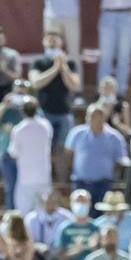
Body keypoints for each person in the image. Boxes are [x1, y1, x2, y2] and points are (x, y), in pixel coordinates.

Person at [28, 30, 80, 181]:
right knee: (42, 148)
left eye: (55, 39)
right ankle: (43, 179)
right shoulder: (38, 61)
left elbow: (74, 85)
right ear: (43, 41)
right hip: (44, 112)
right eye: (49, 39)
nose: (52, 42)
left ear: (61, 43)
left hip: (64, 113)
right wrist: (54, 68)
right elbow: (35, 83)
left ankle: (62, 181)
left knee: (63, 150)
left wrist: (63, 68)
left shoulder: (70, 63)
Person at [38, 0, 86, 92]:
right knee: (51, 53)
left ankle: (77, 90)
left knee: (73, 53)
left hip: (71, 15)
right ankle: (51, 88)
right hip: (51, 15)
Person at [64, 104, 127, 209]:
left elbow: (120, 160)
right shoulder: (76, 133)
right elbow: (68, 154)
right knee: (80, 212)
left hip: (103, 183)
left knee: (100, 213)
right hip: (80, 182)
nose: (95, 119)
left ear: (104, 117)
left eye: (99, 116)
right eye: (92, 116)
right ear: (87, 117)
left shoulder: (115, 137)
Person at [0, 77, 33, 209]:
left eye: (23, 92)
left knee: (24, 185)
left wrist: (26, 107)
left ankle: (23, 211)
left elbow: (37, 124)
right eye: (18, 92)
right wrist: (4, 105)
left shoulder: (31, 108)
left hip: (25, 154)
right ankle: (11, 213)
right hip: (6, 152)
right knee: (10, 185)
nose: (20, 95)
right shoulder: (6, 106)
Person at [8, 98, 54, 215]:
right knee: (43, 213)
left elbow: (13, 152)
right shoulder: (46, 125)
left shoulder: (18, 129)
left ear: (22, 112)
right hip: (43, 177)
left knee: (24, 213)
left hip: (26, 179)